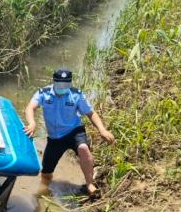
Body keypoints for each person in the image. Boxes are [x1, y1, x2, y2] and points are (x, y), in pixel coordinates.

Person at [24, 67, 115, 196]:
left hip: (74, 131)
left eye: (66, 84)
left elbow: (90, 113)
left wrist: (102, 129)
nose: (62, 87)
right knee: (46, 174)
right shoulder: (43, 93)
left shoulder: (77, 94)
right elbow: (30, 108)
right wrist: (32, 123)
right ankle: (43, 190)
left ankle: (90, 184)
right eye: (60, 84)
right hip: (54, 138)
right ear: (54, 82)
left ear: (70, 83)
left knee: (83, 148)